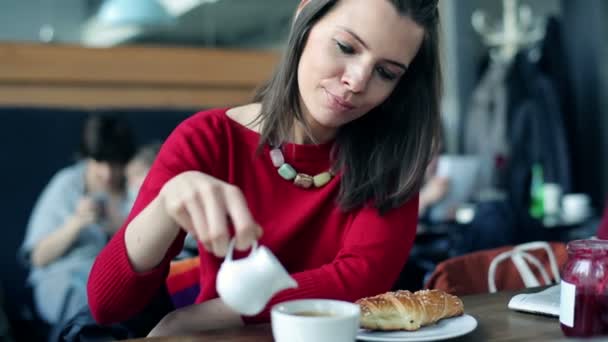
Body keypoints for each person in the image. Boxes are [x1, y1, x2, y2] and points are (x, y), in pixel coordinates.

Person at [87, 0, 442, 337]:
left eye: (386, 72)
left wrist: (208, 315)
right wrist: (166, 205)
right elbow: (108, 306)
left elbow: (360, 281)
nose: (357, 81)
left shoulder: (392, 157)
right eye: (346, 47)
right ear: (305, 17)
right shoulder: (207, 139)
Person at [20, 114, 135, 325]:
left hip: (117, 280)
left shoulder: (135, 184)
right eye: (99, 162)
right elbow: (39, 257)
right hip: (64, 279)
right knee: (89, 306)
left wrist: (120, 226)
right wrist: (76, 224)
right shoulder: (67, 184)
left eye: (115, 164)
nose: (107, 173)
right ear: (86, 158)